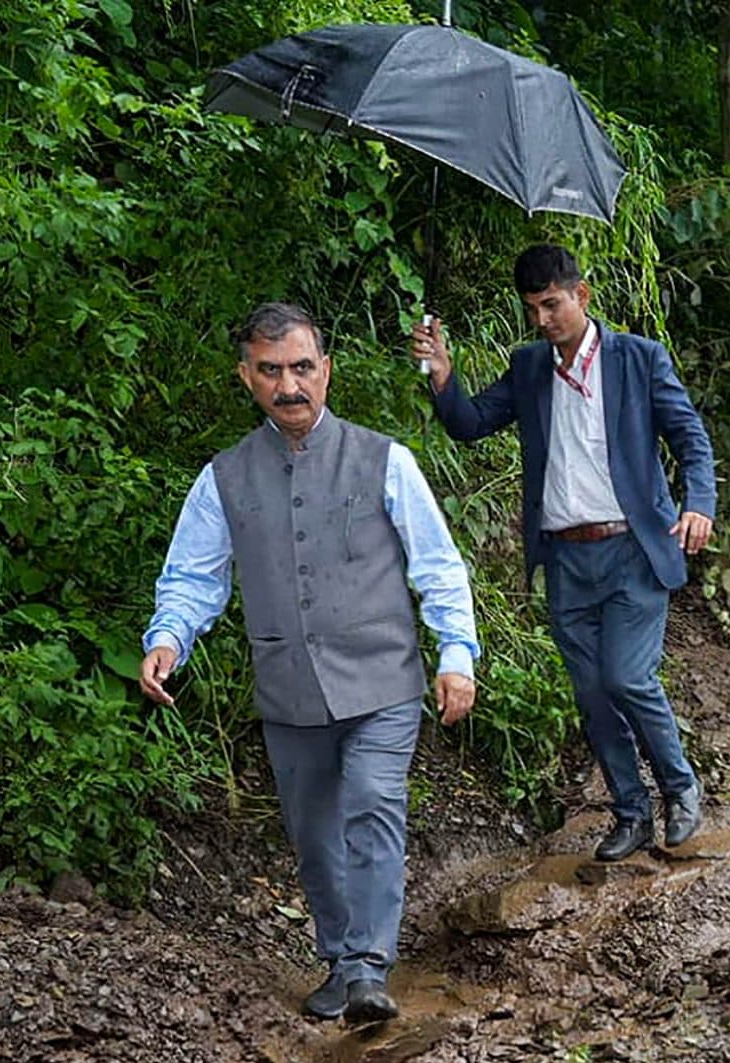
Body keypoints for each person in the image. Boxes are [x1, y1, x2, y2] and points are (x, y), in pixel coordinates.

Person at [145, 302, 481, 1026]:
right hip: (288, 685)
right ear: (247, 378)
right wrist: (168, 639)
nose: (289, 386)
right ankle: (339, 959)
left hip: (384, 678)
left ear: (327, 370)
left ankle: (368, 967)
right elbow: (193, 576)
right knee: (313, 829)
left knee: (371, 803)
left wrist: (457, 654)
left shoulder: (386, 460)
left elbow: (439, 566)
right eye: (271, 371)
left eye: (302, 368)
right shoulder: (224, 478)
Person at [416, 244, 714, 865]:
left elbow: (690, 437)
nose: (542, 319)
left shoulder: (638, 358)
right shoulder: (529, 368)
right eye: (532, 309)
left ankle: (681, 788)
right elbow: (470, 424)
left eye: (551, 304)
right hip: (566, 560)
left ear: (581, 295)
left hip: (633, 549)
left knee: (627, 676)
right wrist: (443, 373)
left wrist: (699, 503)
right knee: (592, 695)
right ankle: (631, 813)